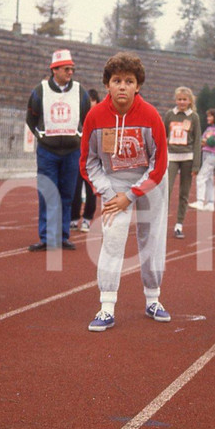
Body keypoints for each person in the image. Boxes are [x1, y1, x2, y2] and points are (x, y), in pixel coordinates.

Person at [80, 52, 169, 332]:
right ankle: (106, 306)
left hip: (148, 183)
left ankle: (153, 299)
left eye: (129, 81)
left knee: (152, 240)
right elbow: (88, 161)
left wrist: (131, 194)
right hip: (113, 184)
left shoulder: (151, 116)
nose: (122, 86)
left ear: (137, 86)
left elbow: (159, 163)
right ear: (107, 84)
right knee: (113, 239)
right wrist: (108, 193)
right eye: (116, 80)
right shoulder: (95, 116)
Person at [25, 49, 92, 251]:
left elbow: (87, 118)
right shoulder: (40, 90)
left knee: (67, 194)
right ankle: (46, 238)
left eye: (72, 69)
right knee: (47, 193)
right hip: (48, 151)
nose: (70, 72)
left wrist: (79, 137)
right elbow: (31, 118)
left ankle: (62, 236)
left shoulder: (80, 91)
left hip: (72, 152)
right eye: (66, 69)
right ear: (54, 69)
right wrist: (41, 136)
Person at [163, 86, 201, 239]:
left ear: (190, 101)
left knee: (184, 193)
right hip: (171, 157)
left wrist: (196, 164)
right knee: (166, 190)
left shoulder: (194, 117)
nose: (182, 102)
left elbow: (198, 141)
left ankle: (179, 225)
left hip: (188, 158)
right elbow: (163, 135)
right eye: (179, 99)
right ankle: (162, 223)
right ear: (175, 100)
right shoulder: (169, 115)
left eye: (184, 99)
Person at [71, 89, 101, 233]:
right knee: (74, 190)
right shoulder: (76, 119)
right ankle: (74, 218)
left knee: (91, 192)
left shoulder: (100, 118)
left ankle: (88, 219)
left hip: (94, 161)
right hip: (77, 157)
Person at [189, 108, 215, 212]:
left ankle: (200, 201)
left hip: (212, 155)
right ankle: (210, 203)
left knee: (201, 177)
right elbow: (201, 140)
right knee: (209, 179)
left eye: (210, 116)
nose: (207, 118)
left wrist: (206, 141)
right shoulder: (209, 129)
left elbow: (214, 141)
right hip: (205, 153)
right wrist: (205, 141)